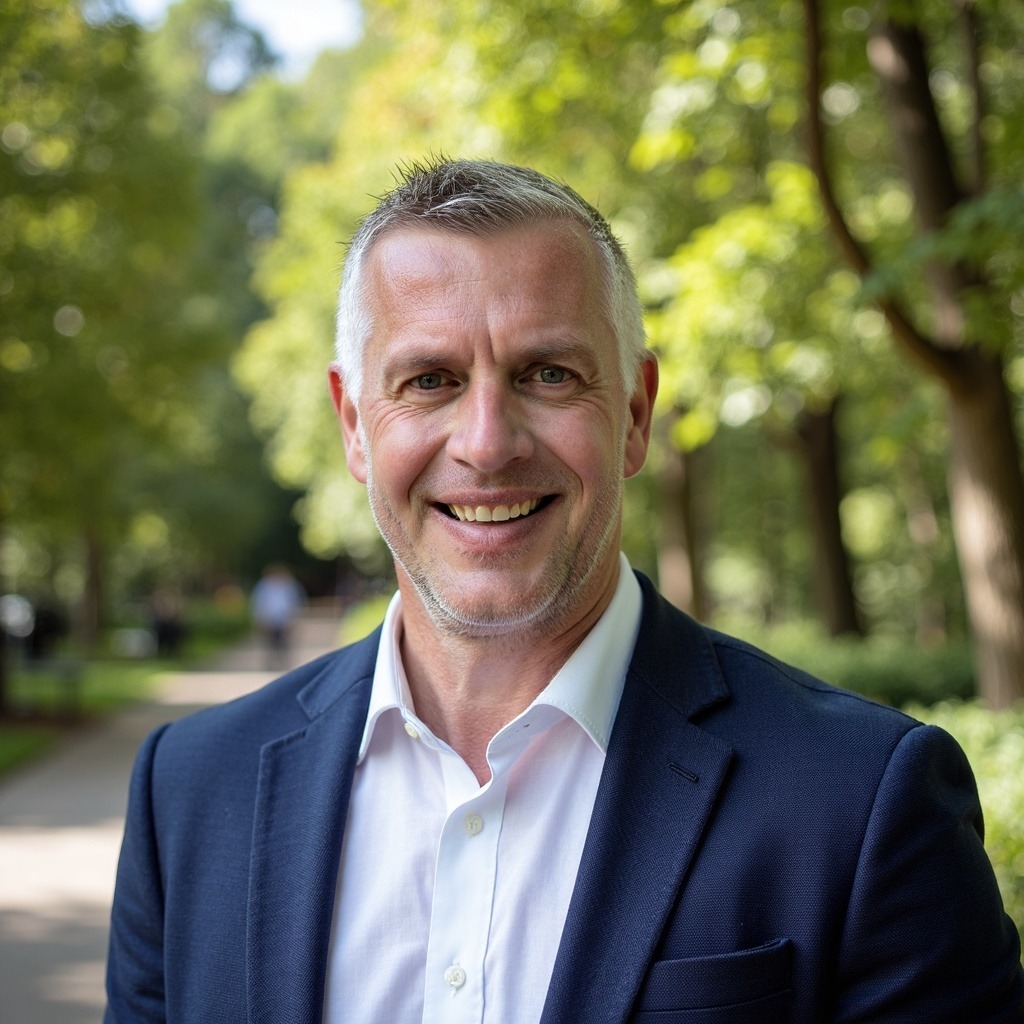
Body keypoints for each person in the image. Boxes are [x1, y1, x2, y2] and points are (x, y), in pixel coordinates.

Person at [105, 159, 1023, 1023]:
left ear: (635, 413)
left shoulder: (862, 800)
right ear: (354, 424)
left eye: (548, 374)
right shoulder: (189, 792)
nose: (487, 443)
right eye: (429, 380)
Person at [250, 564, 305, 669]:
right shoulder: (263, 586)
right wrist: (259, 618)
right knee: (270, 642)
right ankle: (271, 662)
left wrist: (295, 618)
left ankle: (283, 662)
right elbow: (258, 603)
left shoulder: (290, 586)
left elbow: (296, 602)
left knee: (284, 642)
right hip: (269, 619)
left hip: (284, 619)